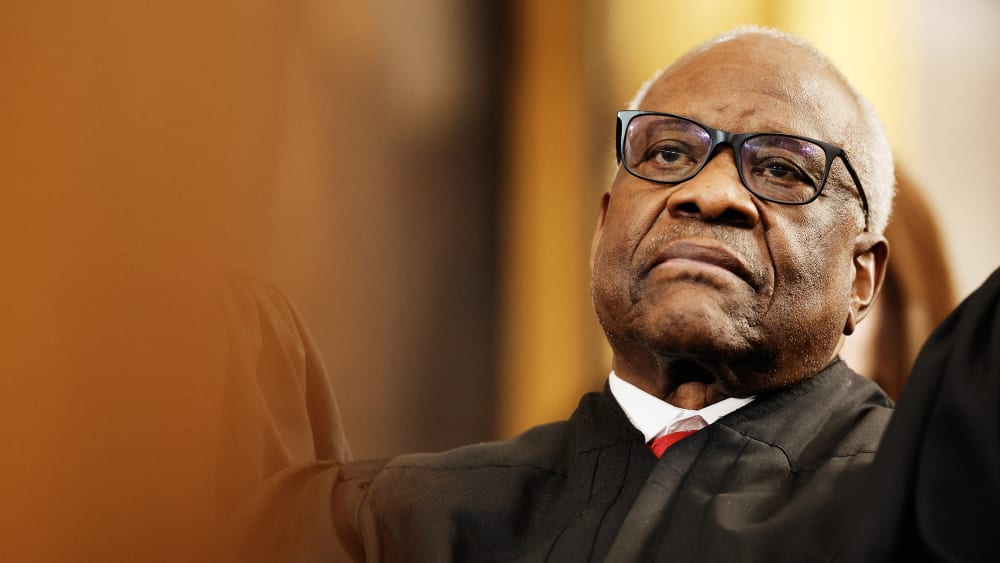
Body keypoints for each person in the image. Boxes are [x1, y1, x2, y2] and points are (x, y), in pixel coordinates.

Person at [221, 26, 897, 562]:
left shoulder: (931, 506)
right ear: (604, 223)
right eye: (666, 154)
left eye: (780, 168)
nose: (709, 193)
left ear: (861, 278)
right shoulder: (400, 522)